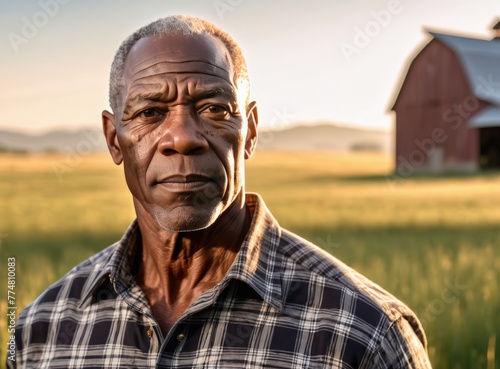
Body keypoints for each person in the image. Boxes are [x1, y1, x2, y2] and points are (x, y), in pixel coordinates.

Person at [10, 15, 432, 368]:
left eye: (214, 109)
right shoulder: (40, 333)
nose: (181, 137)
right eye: (150, 112)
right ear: (113, 138)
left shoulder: (366, 332)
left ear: (249, 132)